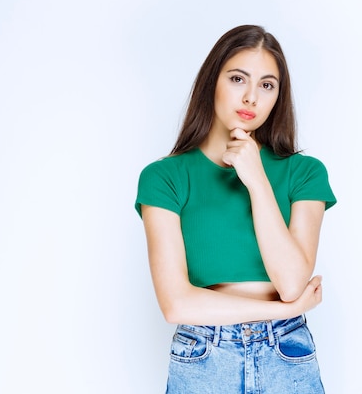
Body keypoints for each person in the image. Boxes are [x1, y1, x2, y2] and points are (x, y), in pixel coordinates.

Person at [135, 24, 336, 393]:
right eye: (238, 78)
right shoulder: (165, 177)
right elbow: (176, 305)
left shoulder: (304, 173)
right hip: (203, 356)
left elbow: (292, 284)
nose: (251, 98)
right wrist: (282, 311)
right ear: (213, 81)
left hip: (287, 354)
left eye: (266, 85)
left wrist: (257, 179)